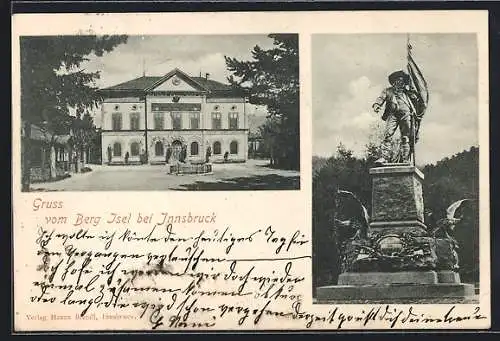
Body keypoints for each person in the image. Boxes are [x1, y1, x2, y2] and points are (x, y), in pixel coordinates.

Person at [372, 70, 421, 164]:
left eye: (402, 80)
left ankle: (405, 159)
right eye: (398, 80)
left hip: (406, 115)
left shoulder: (408, 93)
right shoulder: (388, 91)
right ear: (394, 81)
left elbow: (416, 100)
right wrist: (377, 105)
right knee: (388, 135)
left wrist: (412, 89)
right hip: (392, 114)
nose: (400, 82)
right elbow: (381, 98)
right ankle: (384, 157)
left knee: (405, 137)